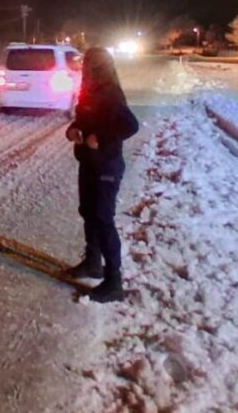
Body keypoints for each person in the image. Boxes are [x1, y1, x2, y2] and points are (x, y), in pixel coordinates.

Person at [65, 47, 139, 302]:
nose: (85, 67)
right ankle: (93, 263)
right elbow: (82, 119)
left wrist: (102, 138)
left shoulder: (110, 92)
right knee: (88, 212)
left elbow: (130, 125)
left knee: (103, 218)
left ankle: (114, 280)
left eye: (89, 63)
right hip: (88, 161)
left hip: (106, 165)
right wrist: (74, 129)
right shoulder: (89, 90)